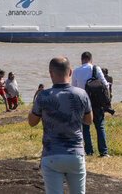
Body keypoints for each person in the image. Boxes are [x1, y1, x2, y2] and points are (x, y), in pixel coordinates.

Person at [29, 57, 92, 194]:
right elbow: (88, 120)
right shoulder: (81, 94)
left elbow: (32, 122)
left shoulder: (43, 96)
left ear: (51, 73)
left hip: (52, 154)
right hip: (75, 154)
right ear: (70, 72)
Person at [72, 52, 110, 157]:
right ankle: (103, 152)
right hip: (96, 102)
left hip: (82, 103)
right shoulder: (96, 69)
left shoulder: (75, 71)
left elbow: (73, 89)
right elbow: (106, 85)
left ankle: (89, 151)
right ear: (91, 60)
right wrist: (107, 102)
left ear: (81, 60)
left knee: (85, 128)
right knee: (100, 127)